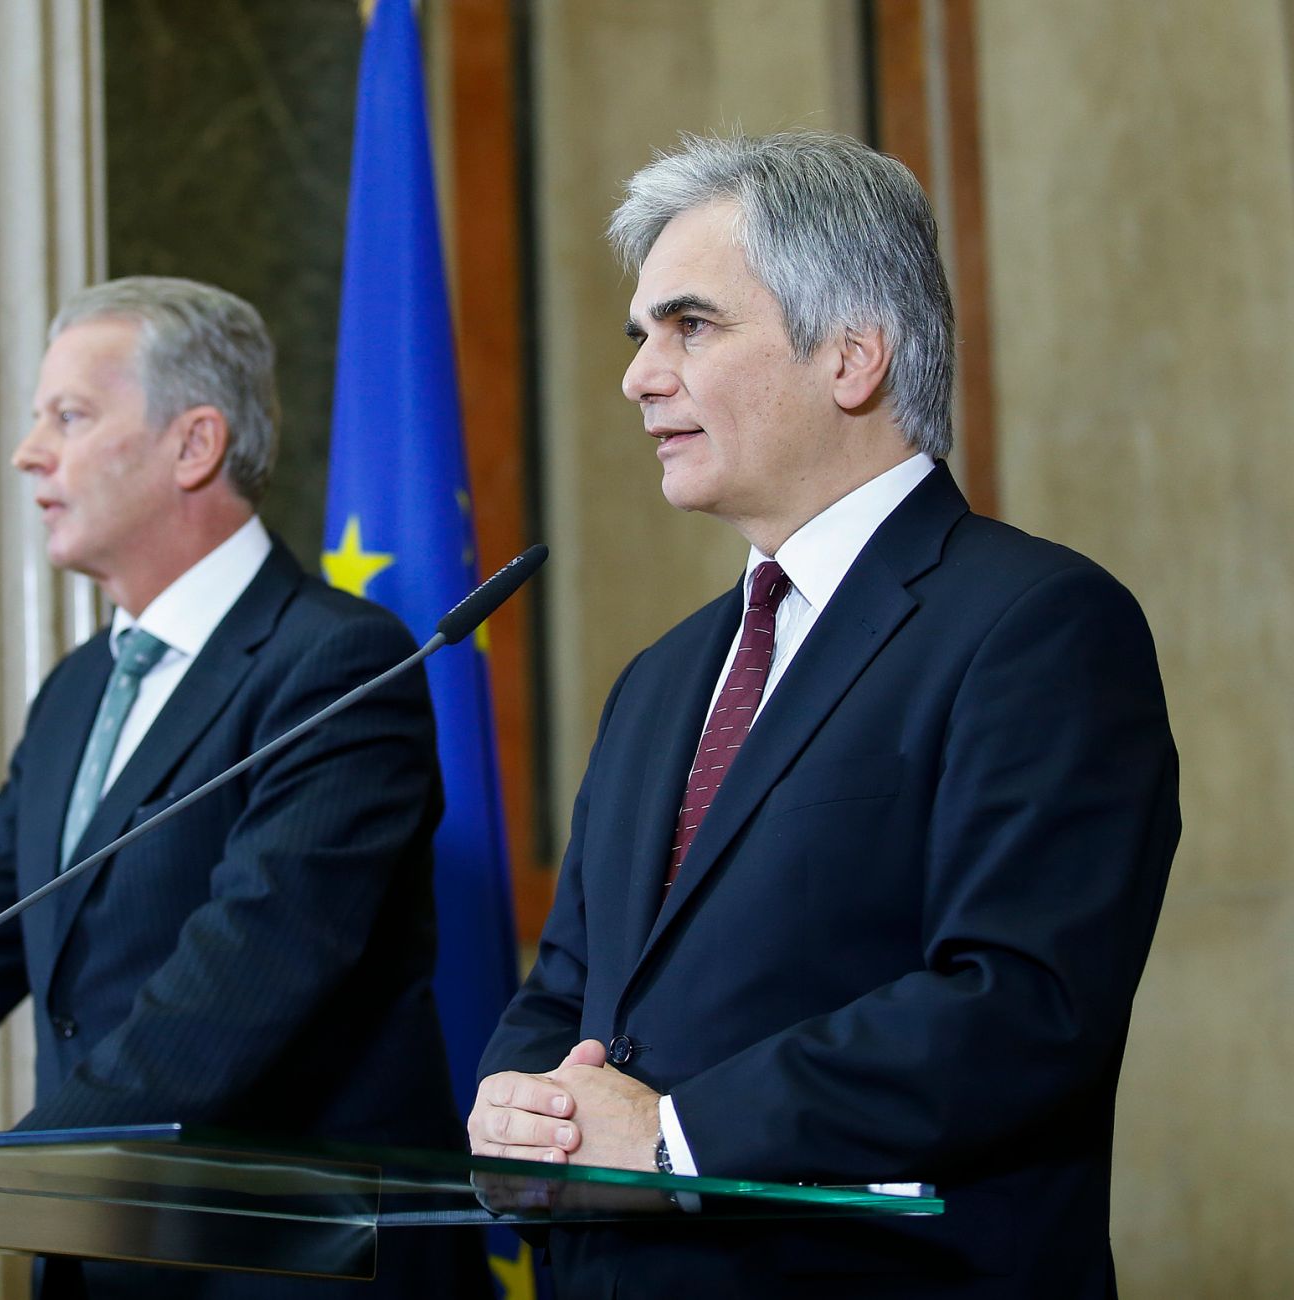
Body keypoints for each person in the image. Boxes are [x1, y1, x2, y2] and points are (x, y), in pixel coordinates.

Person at [470, 131, 1179, 1298]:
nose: (637, 375)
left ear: (851, 355)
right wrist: (521, 1109)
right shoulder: (658, 676)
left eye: (687, 326)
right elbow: (570, 985)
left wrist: (673, 1139)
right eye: (639, 334)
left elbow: (1019, 1002)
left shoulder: (1037, 625)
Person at [0, 276, 489, 1298]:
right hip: (106, 1259)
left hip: (290, 1271)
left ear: (192, 445)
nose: (31, 451)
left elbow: (239, 975)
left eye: (68, 416)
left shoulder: (337, 664)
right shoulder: (78, 690)